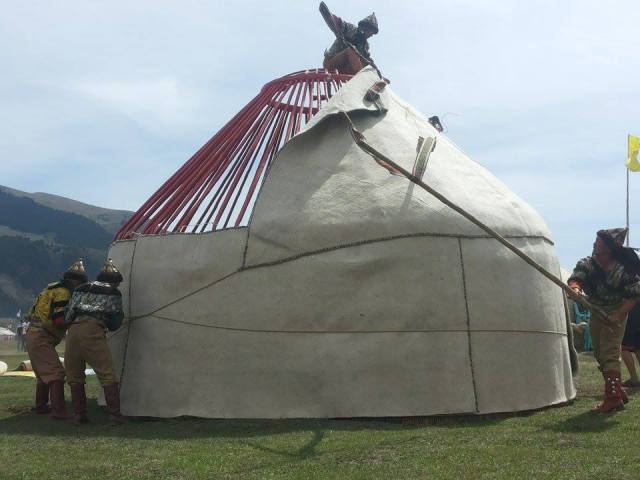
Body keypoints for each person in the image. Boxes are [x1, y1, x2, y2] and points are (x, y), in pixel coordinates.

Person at [568, 227, 640, 413]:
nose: (594, 244)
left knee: (609, 353)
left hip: (616, 313)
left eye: (598, 242)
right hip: (596, 311)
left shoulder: (624, 269)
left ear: (608, 247)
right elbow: (577, 278)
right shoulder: (588, 264)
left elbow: (634, 294)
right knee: (600, 354)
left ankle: (613, 398)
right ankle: (618, 390)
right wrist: (576, 290)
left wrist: (618, 316)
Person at [64, 259, 126, 425]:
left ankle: (79, 415)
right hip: (92, 330)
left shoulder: (80, 288)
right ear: (114, 281)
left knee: (75, 375)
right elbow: (114, 323)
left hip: (73, 331)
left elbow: (67, 314)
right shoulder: (113, 293)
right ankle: (115, 416)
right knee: (107, 373)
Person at [25, 260, 87, 418]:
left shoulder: (51, 288)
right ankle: (58, 410)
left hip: (34, 333)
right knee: (56, 373)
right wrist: (78, 320)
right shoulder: (64, 293)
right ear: (76, 282)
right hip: (42, 335)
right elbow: (59, 319)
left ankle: (41, 406)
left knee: (43, 374)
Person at [320, 2, 379, 75]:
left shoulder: (365, 46)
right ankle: (361, 77)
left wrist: (375, 70)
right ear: (366, 27)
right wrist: (328, 14)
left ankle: (366, 79)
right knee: (351, 51)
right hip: (331, 63)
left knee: (369, 66)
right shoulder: (350, 29)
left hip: (346, 68)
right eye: (371, 32)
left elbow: (368, 60)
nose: (372, 35)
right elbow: (338, 22)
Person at [621, 303, 640, 387]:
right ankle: (634, 379)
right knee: (638, 347)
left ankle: (634, 379)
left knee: (624, 348)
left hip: (631, 309)